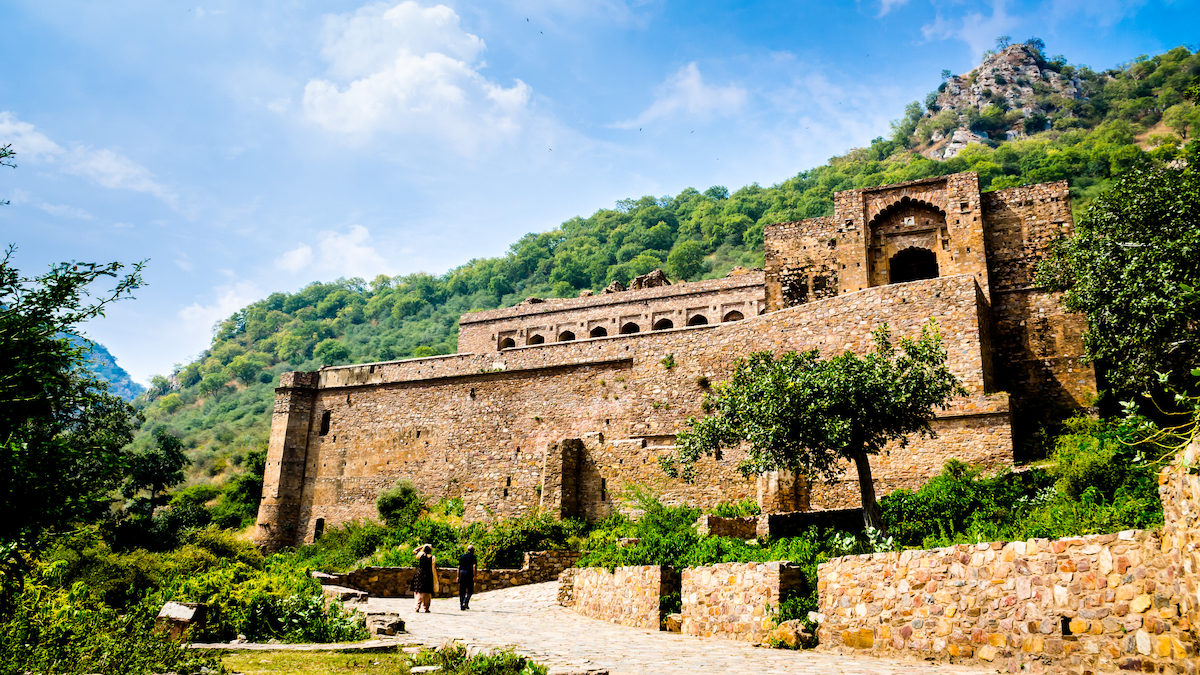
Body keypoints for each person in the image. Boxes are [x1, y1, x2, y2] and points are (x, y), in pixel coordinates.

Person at [412, 544, 436, 613]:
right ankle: (426, 607)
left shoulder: (421, 555)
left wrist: (422, 546)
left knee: (419, 591)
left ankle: (417, 606)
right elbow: (433, 567)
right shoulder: (432, 557)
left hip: (420, 574)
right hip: (428, 574)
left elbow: (414, 551)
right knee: (428, 592)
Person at [457, 544, 477, 611]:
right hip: (469, 574)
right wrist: (475, 575)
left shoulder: (462, 556)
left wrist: (457, 576)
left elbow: (459, 567)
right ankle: (465, 602)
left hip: (462, 573)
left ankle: (462, 605)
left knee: (462, 590)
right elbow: (474, 567)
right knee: (470, 590)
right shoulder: (473, 557)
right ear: (472, 551)